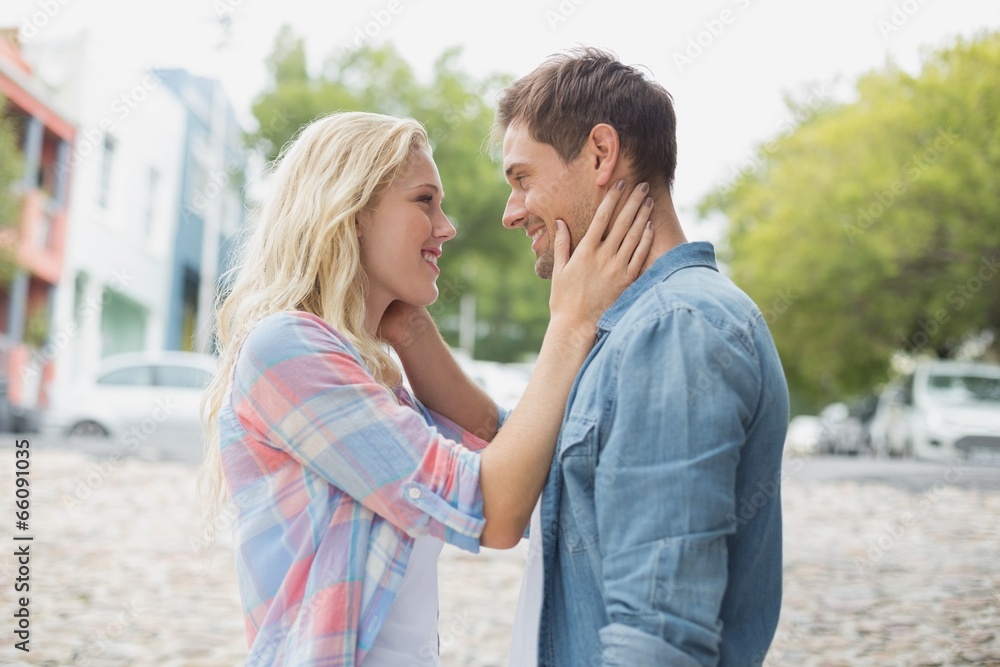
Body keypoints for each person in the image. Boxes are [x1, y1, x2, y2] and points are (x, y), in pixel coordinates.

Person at [198, 110, 654, 666]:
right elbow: (495, 508)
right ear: (352, 212)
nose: (447, 226)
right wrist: (572, 322)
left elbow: (512, 460)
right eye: (424, 201)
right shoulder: (286, 351)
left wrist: (410, 329)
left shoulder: (372, 376)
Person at [492, 49, 791, 666]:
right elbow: (513, 461)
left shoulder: (676, 330)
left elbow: (658, 639)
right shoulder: (622, 329)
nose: (511, 212)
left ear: (601, 154)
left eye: (522, 178)